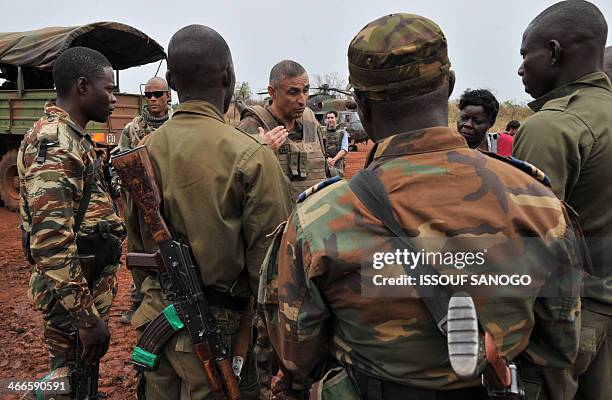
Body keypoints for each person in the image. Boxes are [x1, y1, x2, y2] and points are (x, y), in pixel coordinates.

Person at [259, 13, 583, 400]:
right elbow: (561, 343)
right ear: (449, 85)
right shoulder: (537, 200)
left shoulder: (319, 217)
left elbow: (296, 355)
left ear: (361, 103)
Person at [126, 25, 292, 400]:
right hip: (220, 338)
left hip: (156, 326)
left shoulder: (142, 153)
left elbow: (137, 249)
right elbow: (271, 277)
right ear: (229, 77)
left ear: (170, 81)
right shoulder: (251, 156)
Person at [513, 1, 611, 399]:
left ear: (553, 52)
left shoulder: (552, 127)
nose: (521, 68)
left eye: (525, 55)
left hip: (564, 326)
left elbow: (524, 250)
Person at [18, 47, 125, 394]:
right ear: (82, 86)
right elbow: (50, 241)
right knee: (66, 384)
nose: (114, 98)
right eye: (108, 89)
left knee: (79, 383)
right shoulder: (56, 142)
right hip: (72, 297)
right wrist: (86, 317)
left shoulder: (71, 137)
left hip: (82, 284)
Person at [115, 76, 172, 325]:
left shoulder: (176, 125)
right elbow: (119, 161)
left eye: (158, 94)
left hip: (170, 200)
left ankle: (170, 300)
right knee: (138, 253)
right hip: (137, 202)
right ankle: (138, 303)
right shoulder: (133, 129)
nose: (152, 99)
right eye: (148, 95)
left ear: (168, 96)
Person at [238, 60, 329, 201]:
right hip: (276, 221)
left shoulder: (310, 123)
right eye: (293, 92)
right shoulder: (252, 126)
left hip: (315, 217)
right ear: (272, 92)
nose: (303, 100)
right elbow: (232, 183)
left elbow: (322, 167)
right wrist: (261, 150)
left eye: (305, 90)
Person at [323, 110, 348, 177]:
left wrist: (334, 160)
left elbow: (344, 149)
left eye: (332, 117)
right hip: (325, 161)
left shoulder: (343, 132)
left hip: (337, 162)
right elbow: (320, 147)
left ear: (336, 118)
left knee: (337, 181)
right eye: (328, 118)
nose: (330, 120)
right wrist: (327, 159)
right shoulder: (322, 132)